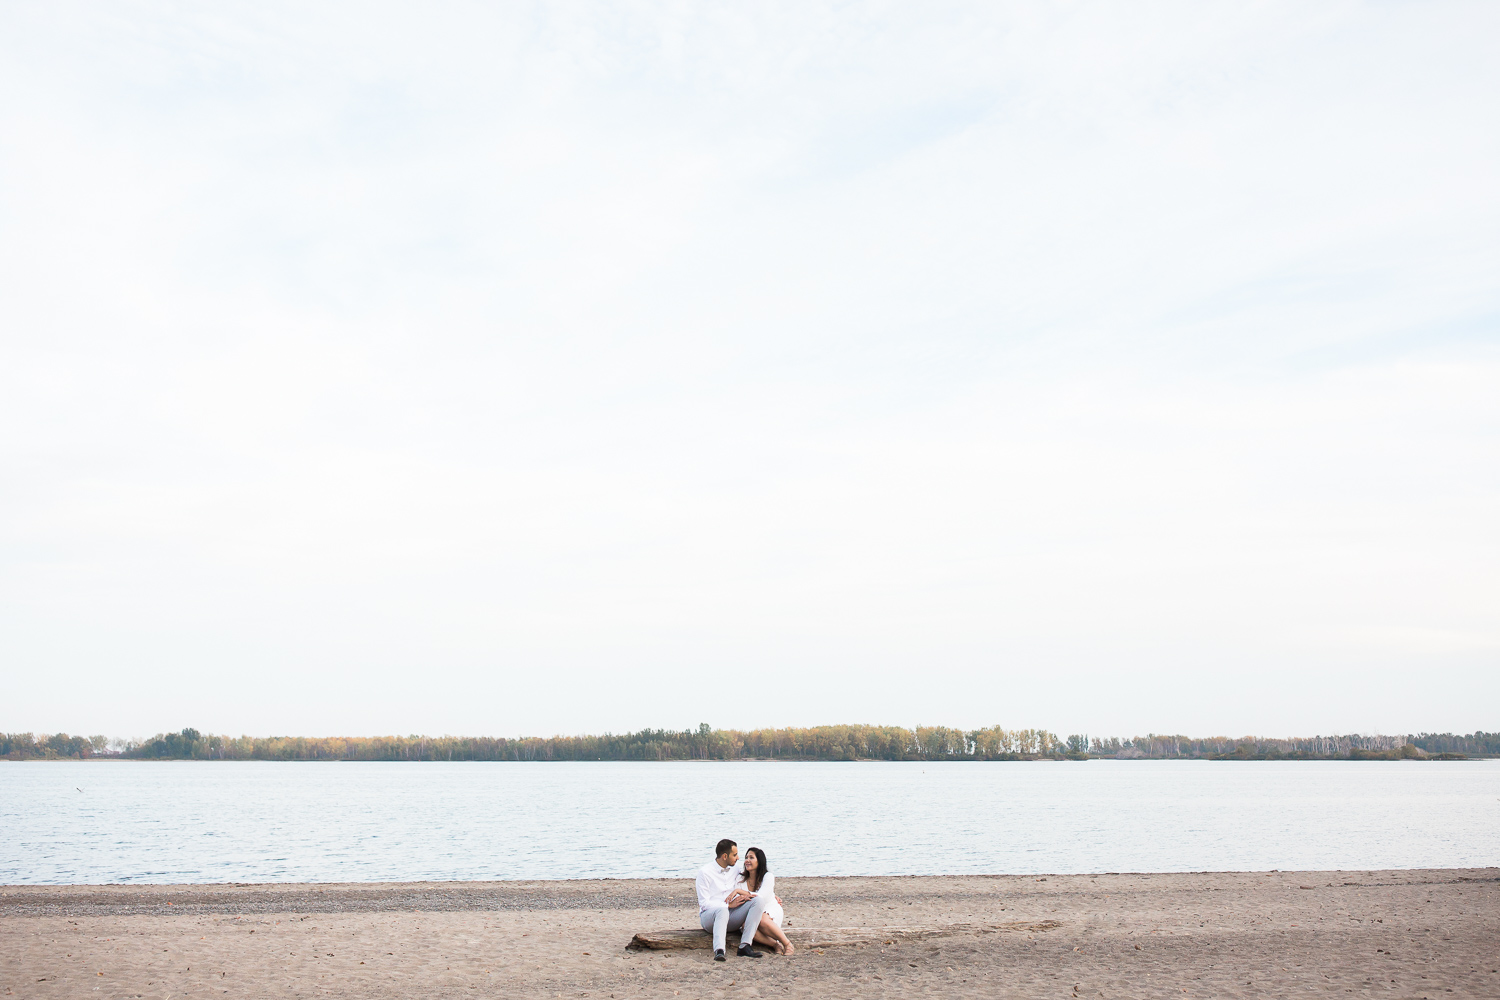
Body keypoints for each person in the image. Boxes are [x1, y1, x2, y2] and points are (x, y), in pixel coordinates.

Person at [695, 838, 771, 961]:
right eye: (734, 855)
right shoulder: (705, 873)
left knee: (758, 901)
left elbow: (751, 880)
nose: (738, 858)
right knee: (722, 910)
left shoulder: (736, 870)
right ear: (725, 856)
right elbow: (704, 904)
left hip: (732, 916)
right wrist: (727, 906)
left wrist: (772, 896)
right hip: (710, 918)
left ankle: (745, 946)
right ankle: (719, 951)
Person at [736, 847, 794, 955]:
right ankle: (775, 944)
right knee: (745, 927)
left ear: (759, 861)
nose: (747, 860)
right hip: (751, 910)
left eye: (751, 857)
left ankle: (787, 944)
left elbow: (761, 896)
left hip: (769, 906)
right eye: (746, 857)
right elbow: (738, 899)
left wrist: (740, 892)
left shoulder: (767, 876)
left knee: (762, 919)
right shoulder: (740, 879)